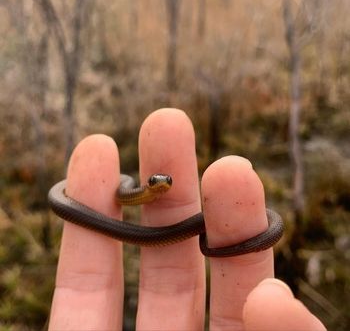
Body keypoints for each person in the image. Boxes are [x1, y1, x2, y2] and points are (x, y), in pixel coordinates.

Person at [48, 108, 326, 330]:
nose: (163, 183)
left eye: (166, 181)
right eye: (157, 180)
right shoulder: (132, 192)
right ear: (149, 183)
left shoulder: (149, 192)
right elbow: (124, 194)